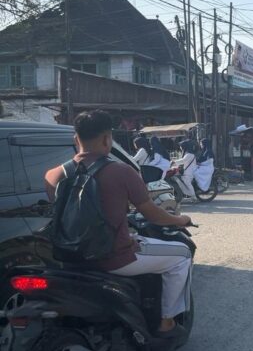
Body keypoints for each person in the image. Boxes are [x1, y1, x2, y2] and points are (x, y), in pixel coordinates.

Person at [44, 110, 193, 336]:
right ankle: (167, 322)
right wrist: (180, 219)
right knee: (182, 255)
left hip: (69, 257)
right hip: (114, 259)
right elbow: (153, 214)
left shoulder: (53, 175)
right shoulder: (121, 171)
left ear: (76, 139)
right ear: (107, 139)